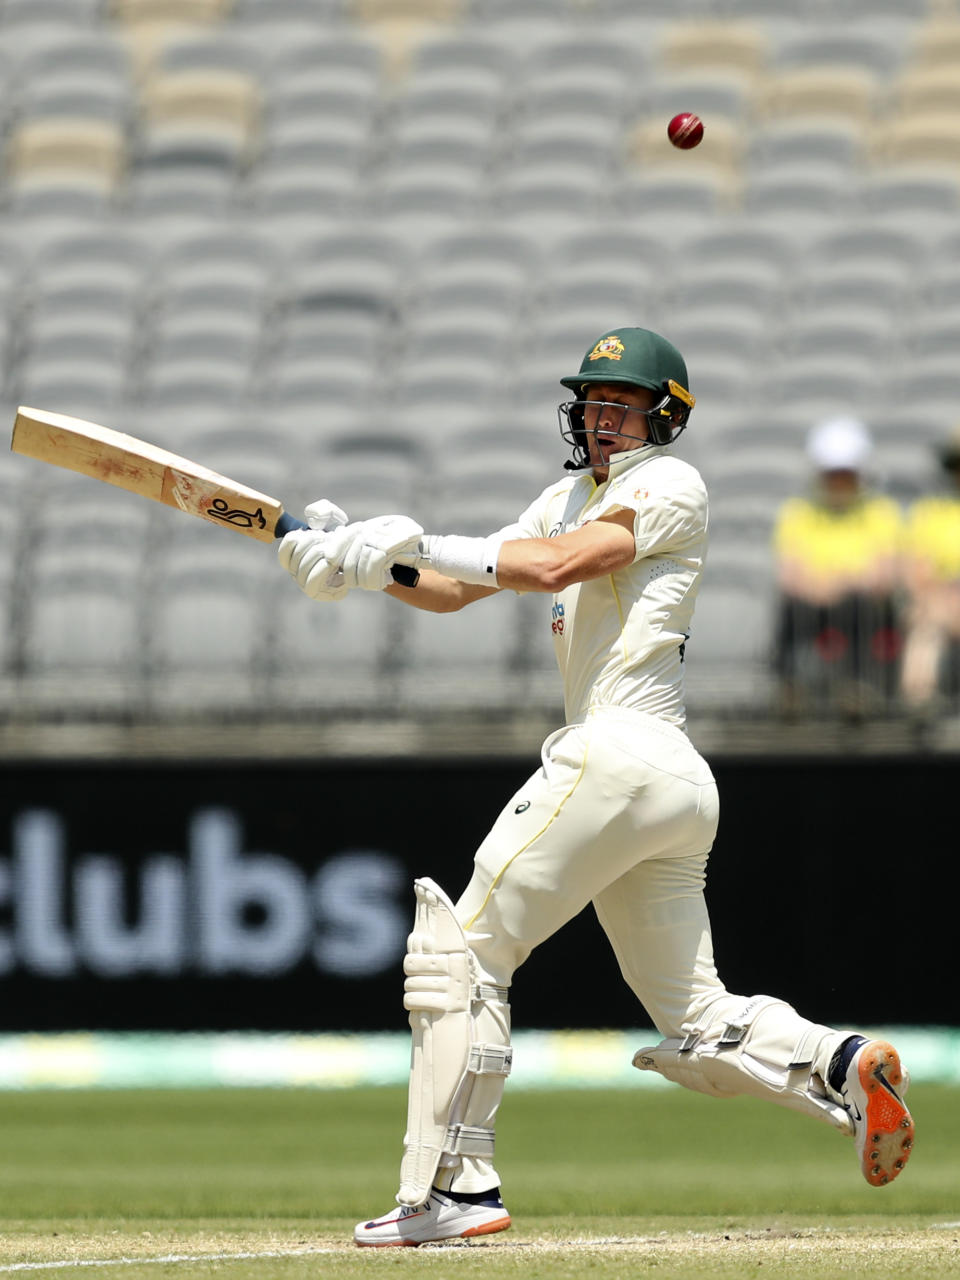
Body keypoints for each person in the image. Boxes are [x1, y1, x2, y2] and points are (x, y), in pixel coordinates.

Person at [278, 329, 914, 1248]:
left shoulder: (666, 486)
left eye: (622, 403)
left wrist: (404, 541)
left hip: (619, 754)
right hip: (664, 784)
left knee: (463, 951)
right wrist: (358, 562)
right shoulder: (566, 496)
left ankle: (457, 1189)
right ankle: (841, 1063)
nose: (601, 417)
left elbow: (550, 567)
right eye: (592, 401)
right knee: (694, 1019)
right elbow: (459, 588)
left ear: (665, 416)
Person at [772, 417, 904, 717]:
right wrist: (837, 583)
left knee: (861, 607)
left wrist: (833, 584)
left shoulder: (883, 513)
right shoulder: (797, 513)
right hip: (812, 603)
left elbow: (883, 579)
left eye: (846, 474)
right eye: (833, 474)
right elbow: (789, 577)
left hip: (859, 606)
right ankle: (789, 687)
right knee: (789, 609)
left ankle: (857, 687)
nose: (839, 482)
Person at [900, 427, 960, 714]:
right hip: (940, 605)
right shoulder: (928, 513)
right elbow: (917, 574)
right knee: (924, 631)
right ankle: (921, 712)